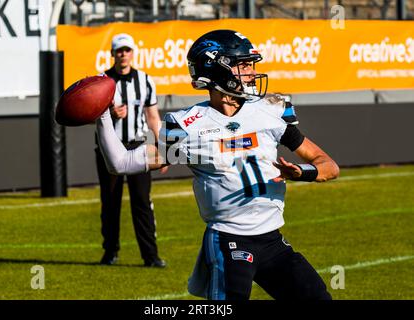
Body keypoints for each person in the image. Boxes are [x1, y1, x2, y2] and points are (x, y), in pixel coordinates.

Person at [95, 30, 340, 299]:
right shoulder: (189, 125)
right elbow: (120, 163)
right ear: (216, 69)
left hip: (272, 241)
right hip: (228, 240)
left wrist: (302, 172)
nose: (250, 72)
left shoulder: (271, 111)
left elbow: (328, 165)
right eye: (243, 64)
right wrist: (102, 115)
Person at [95, 33, 166, 268]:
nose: (123, 54)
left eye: (126, 50)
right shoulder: (103, 80)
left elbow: (153, 116)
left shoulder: (145, 80)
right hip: (110, 147)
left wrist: (163, 147)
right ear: (113, 53)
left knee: (142, 201)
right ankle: (110, 252)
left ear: (132, 53)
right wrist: (110, 114)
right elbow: (90, 114)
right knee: (110, 201)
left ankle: (150, 255)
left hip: (137, 145)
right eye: (119, 50)